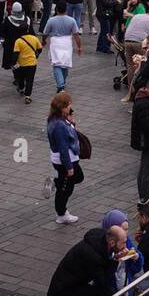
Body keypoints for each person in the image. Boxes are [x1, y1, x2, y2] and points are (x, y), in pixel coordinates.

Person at [46, 92, 82, 224]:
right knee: (66, 189)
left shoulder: (56, 119)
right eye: (68, 105)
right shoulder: (60, 125)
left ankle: (57, 182)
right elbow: (63, 148)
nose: (70, 108)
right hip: (66, 160)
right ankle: (61, 214)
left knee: (77, 178)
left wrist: (72, 122)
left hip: (64, 159)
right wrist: (69, 167)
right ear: (62, 107)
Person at [121, 2, 149, 101]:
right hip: (139, 43)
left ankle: (130, 90)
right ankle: (140, 89)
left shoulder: (137, 16)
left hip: (127, 41)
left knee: (130, 66)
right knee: (142, 66)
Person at [42, 1, 82, 93]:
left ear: (56, 9)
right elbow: (76, 35)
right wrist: (79, 46)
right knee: (65, 64)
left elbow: (45, 33)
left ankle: (60, 86)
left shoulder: (51, 20)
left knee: (56, 64)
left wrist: (43, 40)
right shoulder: (71, 20)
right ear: (66, 9)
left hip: (55, 42)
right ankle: (62, 82)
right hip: (67, 42)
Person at [11, 25, 42, 104]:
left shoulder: (18, 41)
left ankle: (21, 88)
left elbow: (15, 53)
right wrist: (36, 55)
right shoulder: (34, 38)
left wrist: (13, 63)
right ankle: (27, 96)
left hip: (21, 64)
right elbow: (40, 48)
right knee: (30, 80)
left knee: (21, 78)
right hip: (32, 63)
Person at [1, 1, 33, 71]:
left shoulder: (8, 19)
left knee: (13, 60)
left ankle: (16, 75)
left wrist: (3, 42)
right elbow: (31, 33)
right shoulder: (27, 19)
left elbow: (3, 32)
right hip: (24, 44)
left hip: (11, 44)